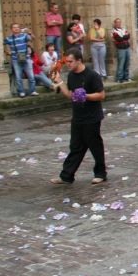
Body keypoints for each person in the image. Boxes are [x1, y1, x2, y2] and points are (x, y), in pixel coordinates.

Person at [49, 48, 107, 185]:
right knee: (75, 146)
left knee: (95, 146)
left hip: (92, 117)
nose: (68, 64)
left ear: (79, 60)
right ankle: (67, 176)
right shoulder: (71, 76)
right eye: (67, 62)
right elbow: (70, 95)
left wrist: (85, 96)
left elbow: (101, 95)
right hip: (78, 116)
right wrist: (59, 82)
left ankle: (101, 173)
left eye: (70, 61)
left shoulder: (92, 75)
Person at [4, 23, 37, 98]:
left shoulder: (24, 35)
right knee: (18, 77)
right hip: (15, 59)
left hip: (26, 58)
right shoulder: (9, 38)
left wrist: (30, 33)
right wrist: (7, 52)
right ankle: (21, 92)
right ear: (11, 29)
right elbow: (2, 43)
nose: (16, 29)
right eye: (14, 27)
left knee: (31, 76)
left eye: (18, 27)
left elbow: (33, 39)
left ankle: (32, 90)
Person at [112, 18, 131, 83]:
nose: (119, 23)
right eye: (117, 22)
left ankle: (126, 77)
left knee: (127, 63)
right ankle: (119, 78)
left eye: (120, 22)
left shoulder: (124, 29)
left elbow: (128, 36)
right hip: (121, 49)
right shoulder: (114, 31)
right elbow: (118, 39)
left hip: (127, 47)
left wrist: (124, 37)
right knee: (121, 63)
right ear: (115, 23)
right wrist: (124, 37)